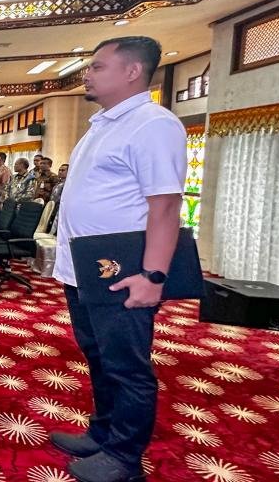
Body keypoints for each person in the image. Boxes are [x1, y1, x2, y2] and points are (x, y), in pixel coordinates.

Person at [51, 36, 185, 482]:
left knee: (127, 367)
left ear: (132, 71)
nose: (87, 74)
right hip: (87, 269)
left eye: (97, 66)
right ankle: (103, 432)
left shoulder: (153, 125)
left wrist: (154, 275)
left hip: (124, 272)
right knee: (98, 356)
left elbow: (165, 205)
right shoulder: (103, 125)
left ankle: (124, 457)